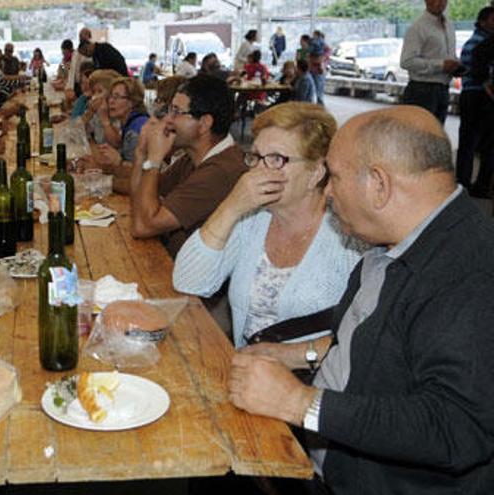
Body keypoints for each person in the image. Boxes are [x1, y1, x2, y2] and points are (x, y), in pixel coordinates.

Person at [227, 105, 494, 495]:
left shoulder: (468, 274)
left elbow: (457, 427)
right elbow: (367, 343)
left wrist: (298, 402)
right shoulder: (395, 244)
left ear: (379, 185)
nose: (328, 191)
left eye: (334, 176)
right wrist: (294, 355)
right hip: (319, 450)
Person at [173, 101, 360, 348]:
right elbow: (187, 281)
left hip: (315, 380)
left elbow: (365, 337)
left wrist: (295, 357)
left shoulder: (349, 236)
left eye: (276, 159)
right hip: (246, 371)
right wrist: (231, 206)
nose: (258, 170)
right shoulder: (252, 220)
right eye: (257, 157)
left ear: (315, 172)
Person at [129, 75, 246, 257]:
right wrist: (141, 154)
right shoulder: (193, 157)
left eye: (176, 111)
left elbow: (142, 226)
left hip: (191, 281)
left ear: (204, 123)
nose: (168, 119)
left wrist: (154, 160)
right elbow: (140, 199)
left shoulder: (219, 172)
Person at [82, 77, 149, 194]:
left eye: (117, 97)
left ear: (131, 102)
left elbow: (139, 179)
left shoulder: (135, 132)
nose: (111, 101)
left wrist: (118, 162)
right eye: (111, 97)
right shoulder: (132, 122)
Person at [455, 6, 494, 197]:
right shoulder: (483, 43)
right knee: (481, 144)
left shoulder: (472, 41)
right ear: (483, 21)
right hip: (479, 97)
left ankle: (462, 183)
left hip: (469, 95)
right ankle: (477, 185)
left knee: (468, 143)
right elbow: (480, 73)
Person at [400, 0, 459, 123]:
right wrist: (441, 65)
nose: (439, 2)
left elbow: (448, 56)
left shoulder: (449, 25)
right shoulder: (418, 28)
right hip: (421, 90)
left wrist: (455, 65)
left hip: (443, 89)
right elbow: (407, 61)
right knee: (418, 137)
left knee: (436, 137)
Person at [65, 27, 93, 103]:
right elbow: (72, 70)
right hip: (76, 85)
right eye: (80, 36)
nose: (81, 38)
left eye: (83, 35)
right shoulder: (76, 52)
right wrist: (69, 87)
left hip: (87, 85)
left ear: (89, 37)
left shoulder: (91, 52)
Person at [308, 30, 330, 106]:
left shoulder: (316, 46)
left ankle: (319, 104)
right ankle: (318, 103)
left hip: (317, 70)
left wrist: (320, 61)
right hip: (316, 69)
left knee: (317, 89)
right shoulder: (324, 47)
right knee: (318, 88)